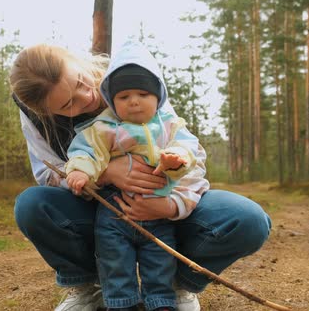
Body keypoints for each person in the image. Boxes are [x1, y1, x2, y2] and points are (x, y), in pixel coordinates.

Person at [9, 40, 272, 311]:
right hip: (102, 215)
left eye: (80, 82)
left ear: (79, 61)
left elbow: (190, 155)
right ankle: (94, 287)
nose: (86, 97)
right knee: (32, 205)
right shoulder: (36, 119)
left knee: (249, 220)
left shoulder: (130, 80)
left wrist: (169, 206)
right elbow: (47, 174)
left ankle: (176, 285)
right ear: (46, 112)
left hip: (164, 202)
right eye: (68, 104)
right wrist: (105, 174)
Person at [65, 45, 207, 310]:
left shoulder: (170, 125)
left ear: (158, 96)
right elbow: (86, 150)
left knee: (160, 259)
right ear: (112, 100)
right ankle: (121, 302)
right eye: (124, 96)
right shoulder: (104, 127)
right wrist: (80, 170)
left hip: (159, 210)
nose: (134, 101)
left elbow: (188, 149)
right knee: (114, 258)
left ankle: (161, 301)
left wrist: (176, 158)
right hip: (114, 212)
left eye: (143, 94)